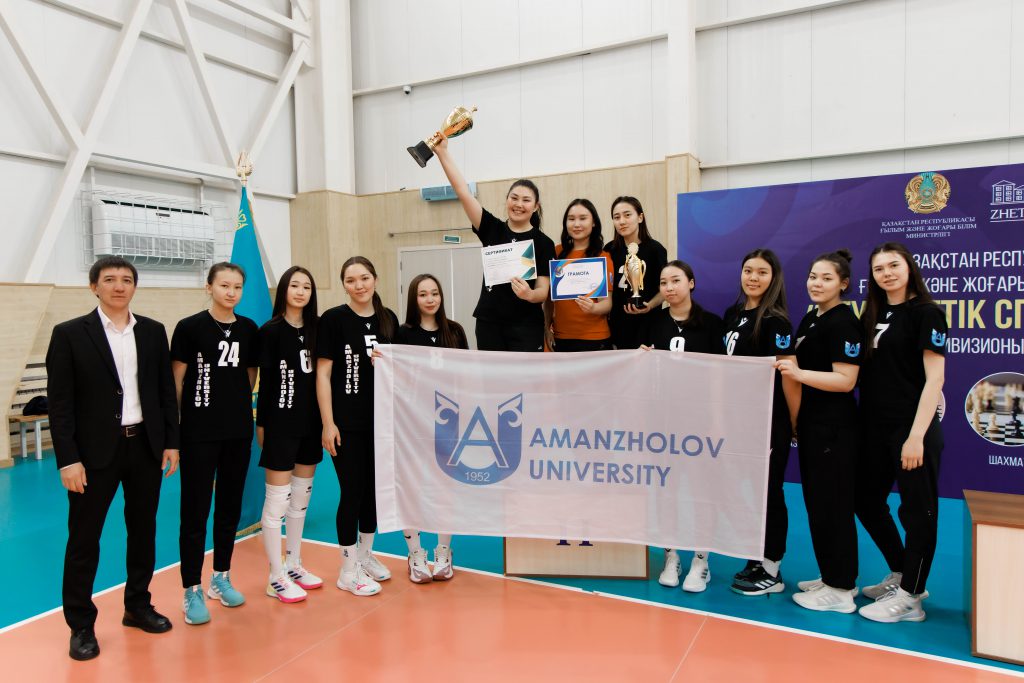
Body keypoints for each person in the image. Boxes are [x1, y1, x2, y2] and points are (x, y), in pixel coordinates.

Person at [47, 256, 179, 661]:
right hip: (93, 455)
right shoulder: (70, 334)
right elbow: (60, 404)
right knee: (84, 539)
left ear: (134, 286)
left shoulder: (153, 331)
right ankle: (81, 624)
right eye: (109, 279)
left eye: (126, 280)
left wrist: (170, 442)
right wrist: (68, 459)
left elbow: (164, 393)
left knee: (143, 531)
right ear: (94, 287)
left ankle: (137, 605)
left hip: (144, 447)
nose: (119, 286)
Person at [854, 242, 946, 623]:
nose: (887, 273)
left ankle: (911, 598)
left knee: (918, 513)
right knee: (865, 500)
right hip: (874, 428)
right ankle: (901, 573)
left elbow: (935, 378)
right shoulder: (871, 314)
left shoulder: (927, 313)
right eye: (879, 269)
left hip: (911, 429)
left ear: (909, 268)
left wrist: (916, 436)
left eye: (894, 265)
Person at [774, 250, 863, 613]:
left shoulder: (844, 322)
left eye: (826, 278)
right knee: (818, 505)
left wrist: (799, 374)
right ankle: (831, 576)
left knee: (833, 507)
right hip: (812, 424)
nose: (817, 283)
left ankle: (841, 589)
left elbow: (846, 380)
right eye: (813, 276)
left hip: (834, 428)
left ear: (843, 283)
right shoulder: (813, 317)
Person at [171, 262, 259, 625]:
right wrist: (179, 428)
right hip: (198, 433)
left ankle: (220, 577)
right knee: (194, 511)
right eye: (224, 285)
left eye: (237, 286)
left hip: (237, 432)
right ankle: (191, 588)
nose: (231, 292)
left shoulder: (249, 329)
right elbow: (177, 382)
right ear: (209, 287)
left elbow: (250, 376)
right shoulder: (189, 328)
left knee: (228, 508)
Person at [316, 256, 399, 596]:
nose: (359, 285)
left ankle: (365, 556)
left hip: (380, 422)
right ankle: (348, 570)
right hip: (346, 423)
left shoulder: (388, 318)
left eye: (364, 277)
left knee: (373, 495)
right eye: (351, 280)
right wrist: (328, 423)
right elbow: (323, 374)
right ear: (344, 286)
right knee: (352, 491)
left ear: (375, 279)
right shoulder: (333, 319)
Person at [641, 261, 724, 593]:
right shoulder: (654, 323)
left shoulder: (712, 324)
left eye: (676, 280)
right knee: (667, 490)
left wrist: (717, 419)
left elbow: (719, 376)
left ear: (691, 282)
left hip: (699, 422)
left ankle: (701, 560)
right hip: (663, 421)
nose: (669, 287)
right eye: (663, 282)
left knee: (703, 491)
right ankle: (671, 555)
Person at [722, 248, 800, 596]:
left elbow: (789, 375)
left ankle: (772, 568)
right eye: (748, 270)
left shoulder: (776, 321)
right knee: (750, 492)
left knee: (770, 491)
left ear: (774, 278)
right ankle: (756, 557)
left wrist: (794, 422)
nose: (753, 278)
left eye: (762, 272)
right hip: (738, 420)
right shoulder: (733, 314)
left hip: (769, 420)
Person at [433, 133, 555, 351]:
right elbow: (463, 192)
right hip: (490, 324)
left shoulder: (543, 242)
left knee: (524, 374)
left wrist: (529, 294)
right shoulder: (492, 228)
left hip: (527, 326)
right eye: (514, 198)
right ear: (507, 200)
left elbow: (543, 291)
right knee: (491, 374)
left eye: (526, 200)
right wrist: (442, 153)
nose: (519, 204)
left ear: (536, 206)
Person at [395, 274, 470, 582]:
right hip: (412, 421)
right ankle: (415, 553)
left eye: (435, 293)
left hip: (448, 424)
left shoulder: (455, 331)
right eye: (423, 294)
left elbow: (465, 375)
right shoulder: (403, 333)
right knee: (410, 486)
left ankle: (443, 551)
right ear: (414, 299)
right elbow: (395, 375)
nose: (430, 299)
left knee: (444, 487)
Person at [256, 266, 323, 603]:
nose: (300, 292)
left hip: (311, 425)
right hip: (280, 425)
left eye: (306, 287)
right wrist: (262, 425)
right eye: (294, 285)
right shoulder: (270, 331)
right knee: (277, 502)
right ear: (283, 290)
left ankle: (293, 564)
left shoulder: (318, 328)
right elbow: (266, 384)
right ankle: (275, 575)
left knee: (300, 500)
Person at [544, 199, 613, 352]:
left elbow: (607, 303)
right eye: (571, 219)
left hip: (595, 338)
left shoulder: (602, 257)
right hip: (561, 337)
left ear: (593, 222)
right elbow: (549, 299)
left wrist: (593, 308)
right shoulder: (556, 253)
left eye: (583, 218)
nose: (576, 224)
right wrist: (546, 328)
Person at [604, 196, 667, 349]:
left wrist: (650, 305)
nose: (622, 221)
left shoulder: (655, 250)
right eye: (616, 217)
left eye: (627, 215)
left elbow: (663, 290)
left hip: (648, 325)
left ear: (640, 217)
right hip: (618, 325)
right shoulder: (609, 250)